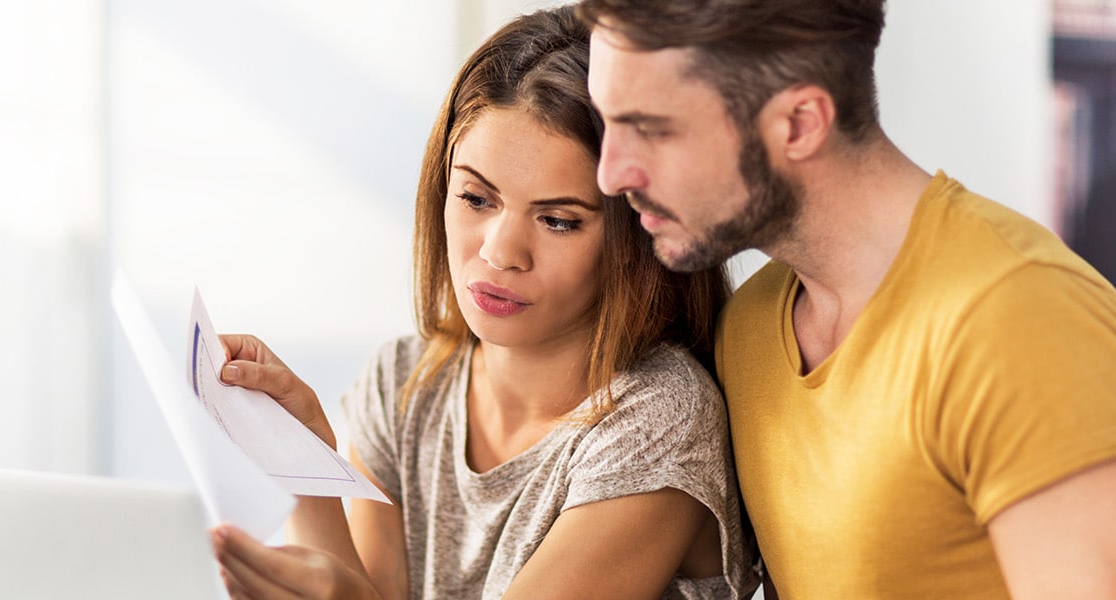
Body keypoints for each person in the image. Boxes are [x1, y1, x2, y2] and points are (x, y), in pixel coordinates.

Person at [576, 0, 1116, 598]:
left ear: (799, 123)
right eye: (608, 124)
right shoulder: (751, 325)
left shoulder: (1027, 321)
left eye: (650, 130)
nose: (611, 175)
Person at [211, 7, 756, 599]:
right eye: (476, 197)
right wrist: (306, 464)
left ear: (639, 235)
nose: (500, 252)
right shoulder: (402, 384)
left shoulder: (660, 419)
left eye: (556, 220)